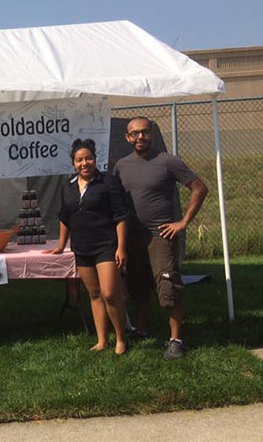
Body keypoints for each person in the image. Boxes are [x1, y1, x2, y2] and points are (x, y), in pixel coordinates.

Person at [114, 116, 208, 360]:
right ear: (127, 137)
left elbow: (199, 188)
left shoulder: (168, 161)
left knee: (168, 288)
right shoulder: (121, 166)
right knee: (139, 286)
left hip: (161, 236)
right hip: (133, 238)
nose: (140, 137)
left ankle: (176, 340)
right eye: (134, 134)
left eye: (144, 132)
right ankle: (142, 330)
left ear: (151, 133)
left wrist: (183, 222)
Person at [44, 139, 130, 355]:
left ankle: (121, 338)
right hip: (81, 248)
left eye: (88, 158)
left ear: (95, 160)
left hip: (106, 245)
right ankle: (102, 340)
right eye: (79, 160)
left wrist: (121, 247)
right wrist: (61, 245)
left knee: (110, 293)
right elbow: (65, 217)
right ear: (73, 163)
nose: (84, 163)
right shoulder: (68, 186)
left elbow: (121, 215)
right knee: (94, 294)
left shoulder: (108, 182)